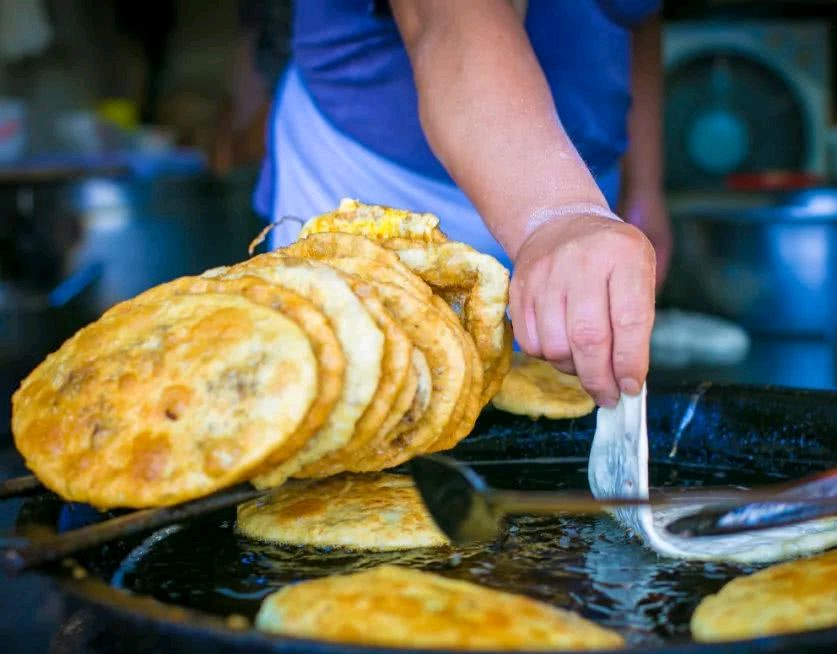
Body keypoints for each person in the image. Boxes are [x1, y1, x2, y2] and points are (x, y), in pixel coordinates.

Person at [254, 0, 673, 409]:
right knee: (375, 404)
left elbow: (634, 16)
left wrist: (642, 190)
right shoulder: (559, 213)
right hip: (383, 189)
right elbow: (447, 23)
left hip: (580, 200)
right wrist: (560, 214)